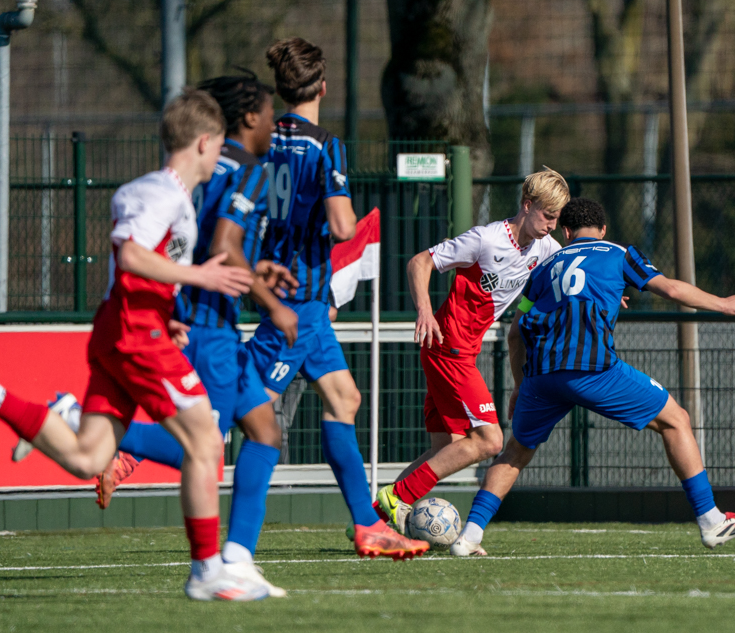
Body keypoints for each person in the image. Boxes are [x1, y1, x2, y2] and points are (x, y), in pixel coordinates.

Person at [0, 90, 278, 600]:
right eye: (218, 148)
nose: (221, 158)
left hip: (133, 328)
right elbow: (130, 257)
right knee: (206, 442)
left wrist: (168, 316)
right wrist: (198, 279)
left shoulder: (175, 199)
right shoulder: (160, 193)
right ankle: (208, 569)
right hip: (132, 333)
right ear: (205, 143)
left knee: (86, 456)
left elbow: (139, 268)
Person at [79, 71, 299, 584]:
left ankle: (239, 554)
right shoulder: (247, 171)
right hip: (206, 327)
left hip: (210, 317)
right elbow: (223, 244)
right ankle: (117, 440)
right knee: (205, 449)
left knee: (265, 431)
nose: (274, 123)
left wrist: (253, 273)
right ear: (248, 118)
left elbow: (193, 244)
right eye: (269, 114)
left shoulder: (202, 167)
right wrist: (272, 303)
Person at [449, 197, 735, 556]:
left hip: (541, 377)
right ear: (603, 229)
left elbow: (516, 331)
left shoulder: (544, 267)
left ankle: (469, 536)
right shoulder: (620, 253)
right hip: (593, 370)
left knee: (516, 452)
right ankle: (711, 521)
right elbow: (672, 289)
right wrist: (723, 303)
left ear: (566, 232)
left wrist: (520, 387)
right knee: (677, 420)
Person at [244, 37, 428, 560]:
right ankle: (131, 452)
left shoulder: (261, 138)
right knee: (239, 406)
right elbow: (342, 222)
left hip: (276, 282)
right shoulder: (325, 144)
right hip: (301, 294)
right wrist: (343, 222)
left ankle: (368, 524)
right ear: (322, 87)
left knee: (345, 399)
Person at [374, 169, 569, 533]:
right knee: (489, 440)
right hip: (449, 347)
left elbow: (572, 266)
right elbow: (420, 262)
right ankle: (395, 497)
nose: (553, 226)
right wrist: (424, 311)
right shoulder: (485, 239)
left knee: (446, 447)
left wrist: (606, 290)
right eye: (548, 216)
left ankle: (376, 522)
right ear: (527, 206)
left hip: (458, 352)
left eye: (558, 219)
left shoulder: (544, 248)